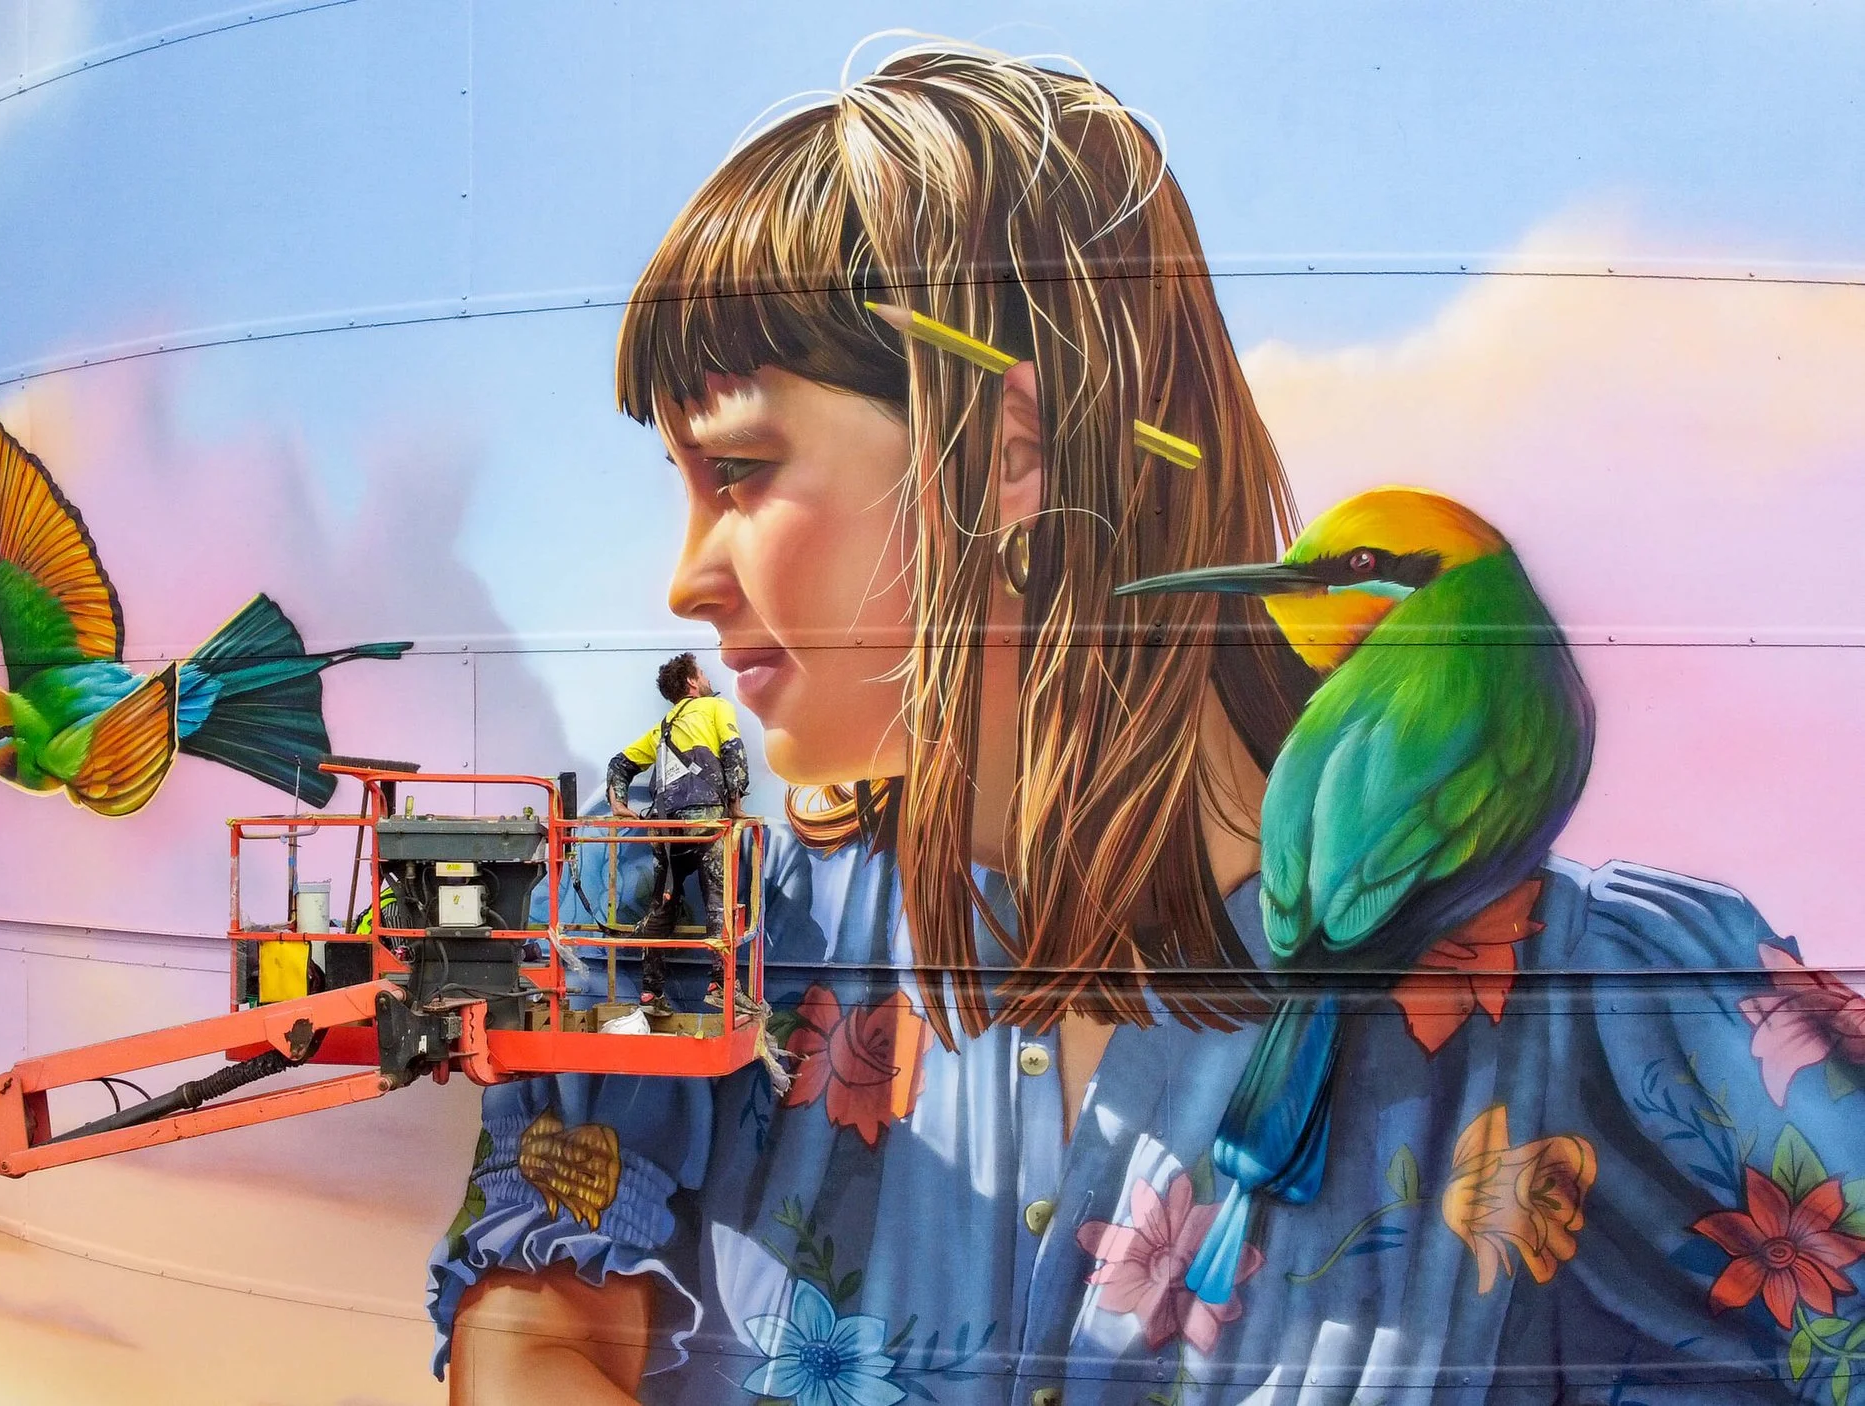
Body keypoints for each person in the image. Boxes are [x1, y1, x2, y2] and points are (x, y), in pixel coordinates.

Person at [429, 45, 1862, 1406]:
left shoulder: (1609, 1004)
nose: (684, 576)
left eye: (739, 472)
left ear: (1007, 451)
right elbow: (535, 1325)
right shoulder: (692, 924)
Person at [605, 652, 749, 1010]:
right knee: (718, 899)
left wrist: (618, 803)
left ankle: (650, 991)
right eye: (703, 673)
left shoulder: (663, 727)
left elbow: (619, 764)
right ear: (692, 683)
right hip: (704, 822)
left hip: (666, 830)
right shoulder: (716, 708)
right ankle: (721, 985)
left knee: (663, 902)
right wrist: (735, 804)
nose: (708, 679)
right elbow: (733, 751)